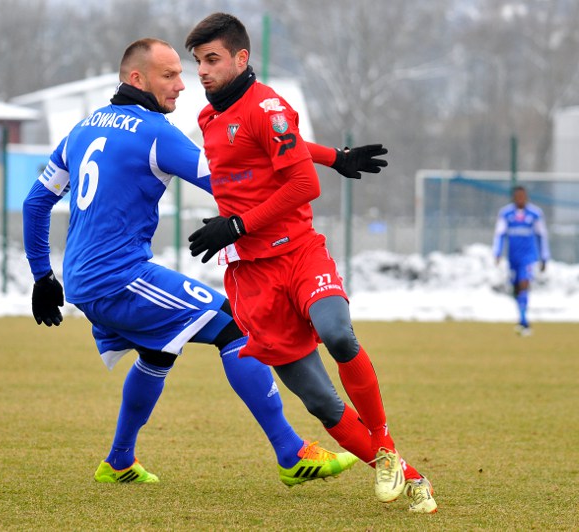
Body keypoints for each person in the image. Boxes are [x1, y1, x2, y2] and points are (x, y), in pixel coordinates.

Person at [22, 38, 385, 487]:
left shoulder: (82, 128)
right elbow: (238, 168)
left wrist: (42, 276)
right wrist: (329, 161)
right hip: (119, 278)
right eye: (169, 75)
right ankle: (291, 453)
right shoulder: (154, 133)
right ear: (136, 79)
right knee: (235, 326)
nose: (182, 85)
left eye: (182, 73)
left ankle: (118, 461)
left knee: (157, 352)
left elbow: (36, 202)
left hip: (83, 278)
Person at [184, 13, 437, 513]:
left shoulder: (269, 106)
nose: (203, 71)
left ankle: (385, 447)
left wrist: (236, 225)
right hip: (252, 276)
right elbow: (275, 146)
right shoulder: (210, 118)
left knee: (338, 334)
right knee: (320, 401)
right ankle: (411, 478)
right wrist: (335, 155)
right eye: (198, 62)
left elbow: (304, 185)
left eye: (212, 59)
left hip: (298, 252)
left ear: (241, 58)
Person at [492, 185, 550, 336]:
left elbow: (542, 235)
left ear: (526, 197)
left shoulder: (535, 214)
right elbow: (499, 234)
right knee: (516, 287)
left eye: (522, 196)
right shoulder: (506, 213)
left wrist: (544, 256)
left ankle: (524, 321)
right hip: (513, 257)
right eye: (517, 196)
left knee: (524, 283)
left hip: (528, 257)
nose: (520, 199)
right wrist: (497, 253)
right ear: (513, 198)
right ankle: (522, 318)